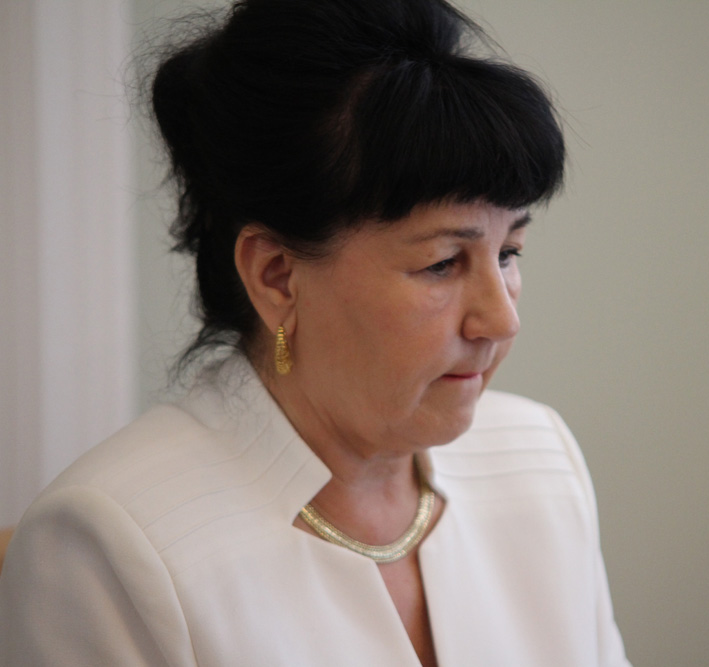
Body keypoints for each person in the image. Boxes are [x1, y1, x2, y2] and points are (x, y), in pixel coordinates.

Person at [0, 1, 630, 665]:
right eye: (442, 263)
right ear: (277, 277)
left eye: (509, 253)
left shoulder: (540, 462)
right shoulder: (111, 545)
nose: (502, 319)